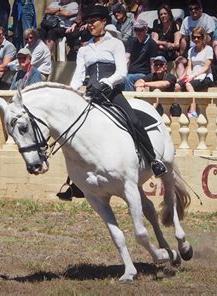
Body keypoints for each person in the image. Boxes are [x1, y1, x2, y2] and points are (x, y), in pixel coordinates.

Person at [59, 6, 167, 200]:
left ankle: (154, 160)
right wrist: (70, 91)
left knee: (133, 121)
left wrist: (107, 83)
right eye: (88, 21)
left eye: (94, 21)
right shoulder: (84, 49)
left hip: (112, 92)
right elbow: (79, 76)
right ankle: (74, 182)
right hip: (92, 94)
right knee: (76, 130)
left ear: (104, 22)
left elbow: (121, 72)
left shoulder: (115, 44)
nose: (90, 24)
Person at [175, 27, 214, 118]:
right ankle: (181, 109)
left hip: (205, 76)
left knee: (188, 84)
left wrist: (193, 75)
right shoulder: (191, 50)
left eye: (198, 37)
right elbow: (189, 66)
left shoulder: (209, 49)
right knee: (177, 85)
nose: (196, 39)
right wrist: (187, 76)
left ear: (203, 37)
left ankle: (193, 111)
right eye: (194, 37)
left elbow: (206, 67)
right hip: (193, 75)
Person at [175, 0, 216, 78]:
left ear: (201, 9)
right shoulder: (186, 20)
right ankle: (182, 82)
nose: (193, 10)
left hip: (204, 50)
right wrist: (181, 54)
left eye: (196, 8)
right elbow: (184, 38)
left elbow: (209, 38)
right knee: (180, 62)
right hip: (191, 50)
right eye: (190, 9)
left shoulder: (208, 19)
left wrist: (199, 50)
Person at [124, 19, 158, 91]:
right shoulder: (131, 41)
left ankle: (131, 100)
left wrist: (152, 80)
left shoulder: (152, 44)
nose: (138, 32)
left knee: (128, 78)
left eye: (141, 29)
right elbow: (126, 58)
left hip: (143, 74)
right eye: (136, 29)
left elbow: (152, 64)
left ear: (146, 29)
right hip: (130, 72)